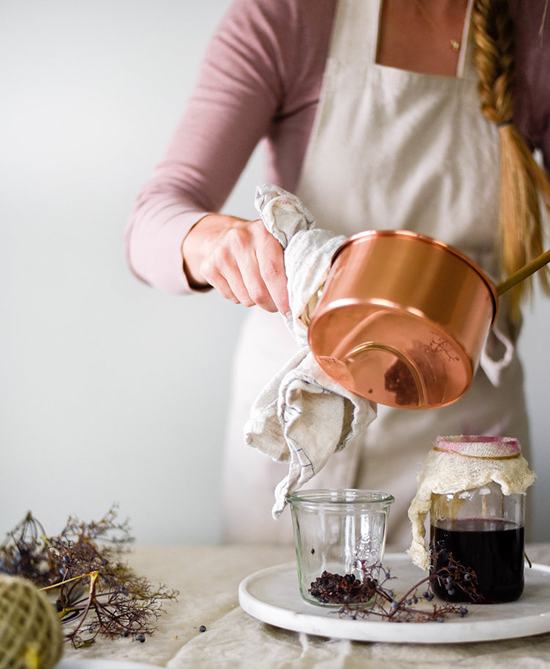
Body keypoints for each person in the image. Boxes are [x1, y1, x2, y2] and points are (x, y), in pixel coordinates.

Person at [125, 0, 550, 547]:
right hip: (298, 423)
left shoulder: (535, 28)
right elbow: (152, 218)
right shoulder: (288, 17)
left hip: (465, 455)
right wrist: (208, 240)